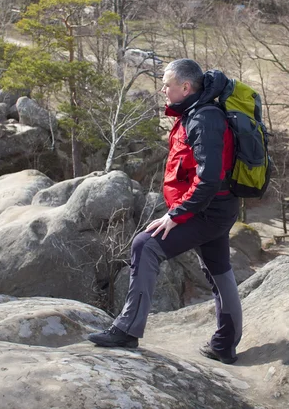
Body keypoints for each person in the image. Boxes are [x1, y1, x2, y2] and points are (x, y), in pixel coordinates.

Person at [88, 59, 242, 364]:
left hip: (207, 211)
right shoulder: (194, 114)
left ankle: (127, 330)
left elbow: (209, 178)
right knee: (219, 271)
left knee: (145, 245)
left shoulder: (204, 119)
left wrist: (176, 215)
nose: (162, 89)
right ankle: (224, 345)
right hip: (213, 209)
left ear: (185, 87)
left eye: (166, 84)